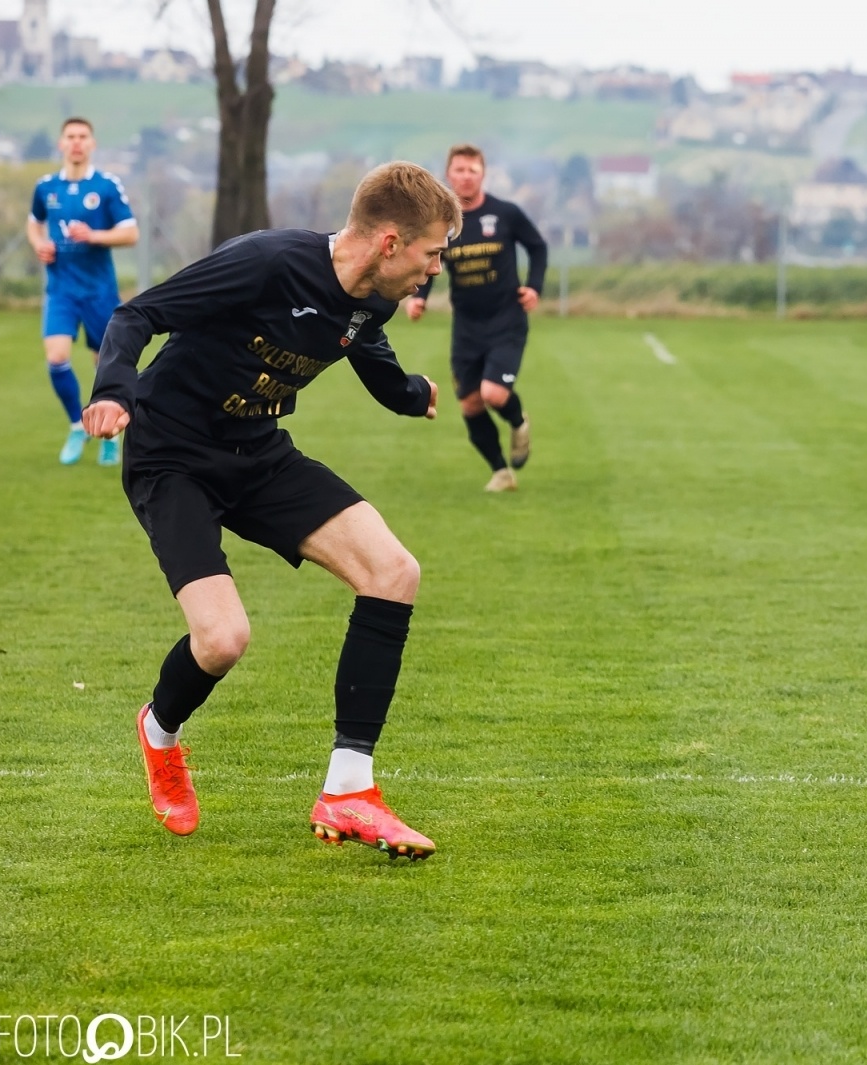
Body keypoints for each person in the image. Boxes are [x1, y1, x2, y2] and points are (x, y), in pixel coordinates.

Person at [83, 162, 459, 859]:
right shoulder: (265, 263)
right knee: (223, 640)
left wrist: (414, 393)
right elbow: (138, 314)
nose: (433, 271)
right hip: (173, 456)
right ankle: (160, 734)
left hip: (256, 453)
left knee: (393, 571)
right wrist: (114, 390)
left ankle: (349, 792)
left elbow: (371, 359)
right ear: (388, 242)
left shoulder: (370, 297)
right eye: (432, 253)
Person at [405, 144, 547, 492]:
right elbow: (428, 260)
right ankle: (501, 471)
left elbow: (538, 247)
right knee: (470, 404)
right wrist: (418, 297)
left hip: (506, 320)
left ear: (482, 174)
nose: (466, 176)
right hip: (466, 327)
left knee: (494, 394)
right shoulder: (443, 223)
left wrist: (534, 287)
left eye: (472, 170)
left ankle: (518, 421)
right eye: (459, 170)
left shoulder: (505, 213)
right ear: (448, 175)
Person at [27, 117, 138, 465]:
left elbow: (130, 233)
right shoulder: (46, 187)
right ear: (61, 144)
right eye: (70, 137)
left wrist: (94, 236)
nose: (76, 142)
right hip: (60, 290)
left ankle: (111, 436)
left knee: (104, 366)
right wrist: (39, 244)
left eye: (83, 137)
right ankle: (78, 424)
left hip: (99, 292)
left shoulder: (105, 185)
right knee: (57, 357)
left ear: (92, 144)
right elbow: (34, 222)